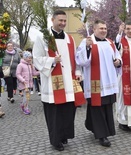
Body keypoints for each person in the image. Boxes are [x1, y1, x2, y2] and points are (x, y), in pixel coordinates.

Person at [32, 10, 85, 151]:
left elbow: (75, 59)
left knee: (67, 111)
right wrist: (52, 60)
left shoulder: (70, 39)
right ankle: (55, 140)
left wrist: (78, 72)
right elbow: (36, 59)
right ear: (52, 19)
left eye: (64, 21)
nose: (62, 23)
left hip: (68, 81)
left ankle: (64, 135)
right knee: (55, 113)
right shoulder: (43, 37)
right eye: (60, 20)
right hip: (52, 83)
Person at [76, 19, 122, 147]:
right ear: (94, 29)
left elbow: (117, 56)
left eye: (105, 28)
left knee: (106, 106)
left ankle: (92, 125)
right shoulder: (88, 41)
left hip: (109, 82)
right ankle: (102, 135)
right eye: (101, 28)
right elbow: (81, 61)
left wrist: (118, 61)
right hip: (95, 82)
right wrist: (87, 47)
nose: (103, 31)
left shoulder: (110, 43)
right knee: (97, 107)